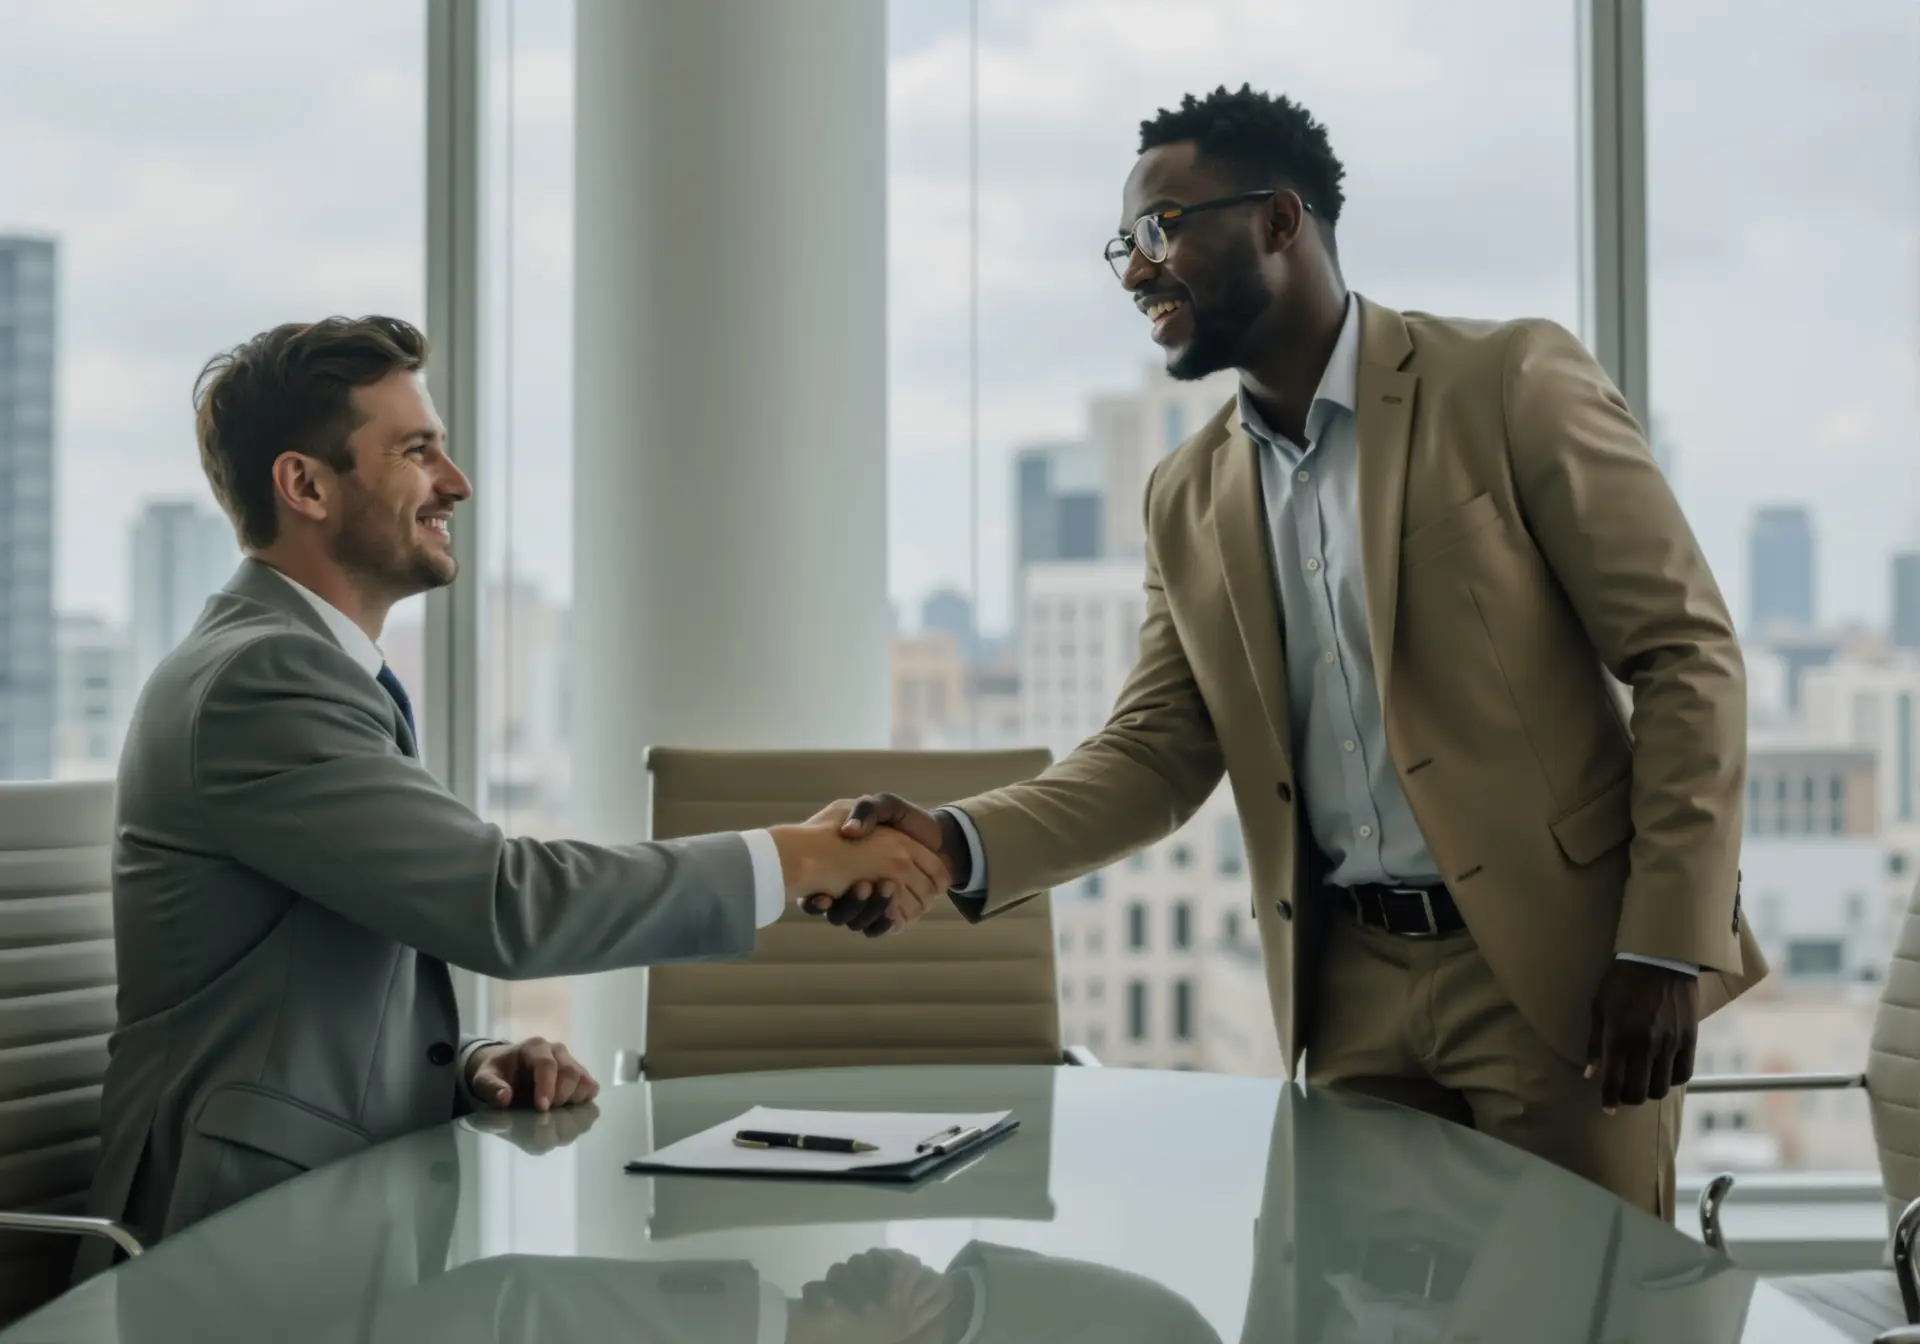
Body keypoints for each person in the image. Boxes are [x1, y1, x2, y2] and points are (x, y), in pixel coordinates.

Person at [818, 85, 1766, 1218]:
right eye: (1123, 243)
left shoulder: (1506, 383)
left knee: (1581, 1315)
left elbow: (1684, 654)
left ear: (1279, 220)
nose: (1133, 272)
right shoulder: (1187, 495)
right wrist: (956, 838)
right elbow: (1156, 754)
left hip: (1556, 982)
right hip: (1349, 992)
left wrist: (1666, 946)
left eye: (1162, 228)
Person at [81, 316, 949, 1269]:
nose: (456, 482)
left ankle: (780, 1320)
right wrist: (801, 858)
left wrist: (466, 1069)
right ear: (305, 485)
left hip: (334, 1223)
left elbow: (295, 993)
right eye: (417, 452)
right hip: (236, 1261)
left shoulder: (305, 668)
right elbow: (500, 901)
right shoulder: (262, 680)